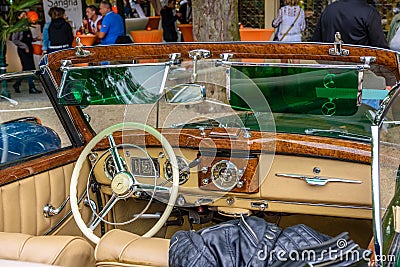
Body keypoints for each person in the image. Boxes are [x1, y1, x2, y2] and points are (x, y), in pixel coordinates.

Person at [312, 0, 388, 48]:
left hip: (330, 68)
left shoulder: (329, 9)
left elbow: (316, 42)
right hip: (358, 69)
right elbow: (380, 47)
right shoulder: (369, 12)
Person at [11, 11, 41, 94]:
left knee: (26, 69)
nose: (26, 16)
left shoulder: (26, 25)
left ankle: (17, 84)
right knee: (30, 69)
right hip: (24, 50)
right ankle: (32, 88)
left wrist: (34, 39)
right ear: (18, 17)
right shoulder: (18, 27)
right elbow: (15, 39)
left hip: (29, 49)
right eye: (23, 15)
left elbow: (27, 37)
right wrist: (25, 46)